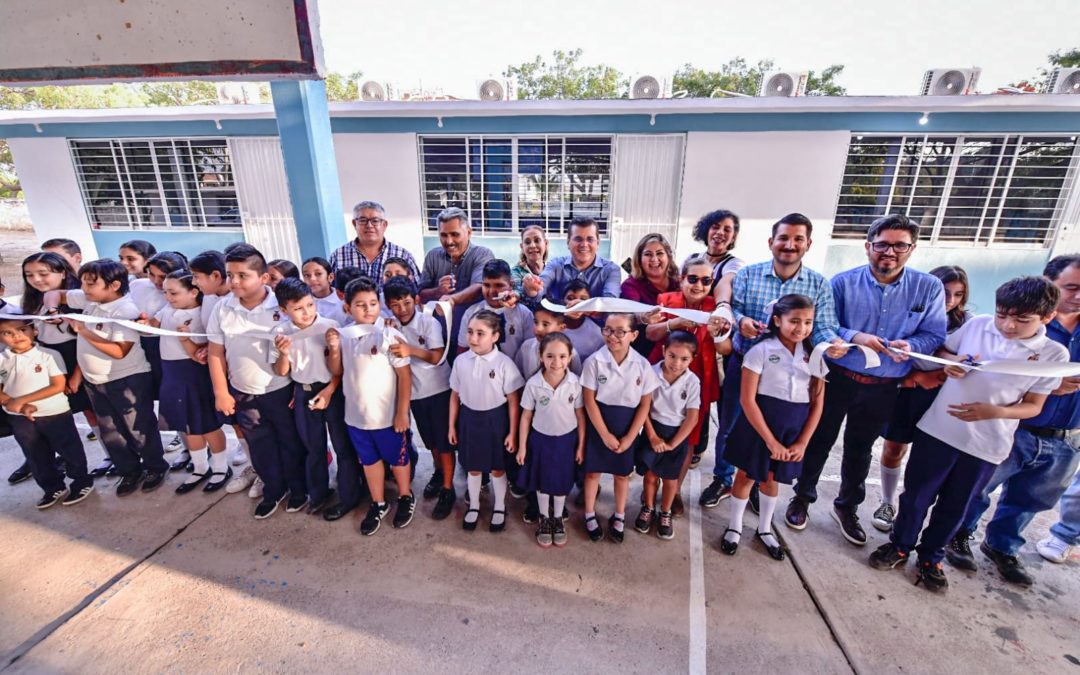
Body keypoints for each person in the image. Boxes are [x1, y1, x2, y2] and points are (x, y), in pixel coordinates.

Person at [869, 276, 1068, 592]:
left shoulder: (1053, 355)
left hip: (986, 443)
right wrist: (952, 363)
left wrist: (996, 412)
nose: (1008, 325)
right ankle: (900, 545)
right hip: (939, 429)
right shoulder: (978, 326)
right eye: (1002, 314)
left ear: (1046, 318)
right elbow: (945, 352)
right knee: (916, 495)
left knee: (956, 506)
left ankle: (931, 558)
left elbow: (1033, 406)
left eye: (1021, 320)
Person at [788, 214, 947, 546]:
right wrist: (855, 336)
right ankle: (802, 497)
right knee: (818, 439)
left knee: (860, 449)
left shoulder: (928, 288)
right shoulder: (842, 283)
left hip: (884, 385)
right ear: (868, 247)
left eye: (899, 245)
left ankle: (847, 507)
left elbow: (933, 334)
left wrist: (912, 346)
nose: (889, 252)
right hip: (838, 378)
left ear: (912, 249)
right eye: (882, 244)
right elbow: (825, 326)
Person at [947, 255, 1080, 585]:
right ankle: (959, 534)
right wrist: (1047, 386)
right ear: (1049, 285)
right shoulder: (1019, 331)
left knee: (1031, 498)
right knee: (978, 487)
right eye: (1071, 287)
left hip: (1068, 435)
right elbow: (986, 373)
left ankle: (1003, 546)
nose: (1078, 295)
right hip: (1015, 426)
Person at [699, 213, 838, 511]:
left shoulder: (819, 284)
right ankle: (724, 478)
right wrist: (741, 321)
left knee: (777, 429)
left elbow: (825, 326)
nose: (789, 245)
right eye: (783, 238)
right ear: (771, 242)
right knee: (731, 426)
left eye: (797, 239)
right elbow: (731, 310)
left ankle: (758, 480)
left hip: (791, 372)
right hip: (746, 364)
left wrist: (832, 344)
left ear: (808, 244)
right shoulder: (749, 274)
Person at [44, 259, 168, 496]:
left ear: (114, 285)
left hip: (127, 379)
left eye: (91, 284)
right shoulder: (91, 299)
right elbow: (55, 294)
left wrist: (83, 330)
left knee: (138, 427)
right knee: (110, 429)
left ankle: (155, 467)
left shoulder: (125, 310)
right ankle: (129, 470)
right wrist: (52, 310)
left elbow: (120, 350)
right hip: (95, 380)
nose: (84, 289)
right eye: (82, 283)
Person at [720, 295, 825, 560]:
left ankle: (765, 529)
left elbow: (817, 404)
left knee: (771, 478)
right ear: (778, 321)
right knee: (746, 476)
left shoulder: (815, 356)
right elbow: (747, 399)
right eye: (794, 321)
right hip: (759, 426)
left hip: (792, 429)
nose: (801, 328)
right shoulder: (760, 351)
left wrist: (802, 442)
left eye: (808, 322)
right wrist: (770, 441)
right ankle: (734, 526)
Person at [207, 244, 305, 520]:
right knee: (259, 445)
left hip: (280, 389)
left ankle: (298, 488)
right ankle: (273, 489)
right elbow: (216, 352)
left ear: (263, 278)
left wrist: (298, 387)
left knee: (290, 441)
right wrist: (221, 393)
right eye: (230, 275)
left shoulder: (283, 307)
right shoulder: (222, 309)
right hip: (243, 391)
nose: (234, 282)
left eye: (242, 275)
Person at [874, 265, 971, 531]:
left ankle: (913, 513)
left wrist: (938, 376)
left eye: (958, 294)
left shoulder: (969, 324)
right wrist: (916, 378)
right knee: (894, 448)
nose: (950, 300)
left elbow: (968, 362)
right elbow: (890, 356)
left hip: (943, 398)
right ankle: (886, 501)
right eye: (944, 292)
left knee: (929, 457)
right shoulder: (912, 315)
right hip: (905, 393)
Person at [326, 277, 415, 535]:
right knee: (369, 461)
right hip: (356, 417)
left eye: (373, 303)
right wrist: (333, 349)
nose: (368, 309)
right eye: (360, 305)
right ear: (347, 308)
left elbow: (405, 377)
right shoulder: (344, 335)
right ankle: (378, 503)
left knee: (398, 460)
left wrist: (401, 412)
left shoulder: (389, 334)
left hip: (387, 417)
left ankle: (406, 496)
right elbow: (338, 370)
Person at [645, 255, 728, 503]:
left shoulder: (718, 308)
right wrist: (676, 323)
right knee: (652, 428)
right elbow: (650, 333)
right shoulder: (667, 301)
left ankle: (675, 491)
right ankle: (649, 489)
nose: (698, 285)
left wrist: (717, 335)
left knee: (688, 438)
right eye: (692, 278)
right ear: (682, 279)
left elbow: (725, 349)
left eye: (706, 280)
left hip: (698, 380)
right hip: (663, 375)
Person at [19, 252, 103, 479]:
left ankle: (114, 456)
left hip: (78, 359)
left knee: (95, 411)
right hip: (52, 364)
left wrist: (76, 375)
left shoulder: (77, 301)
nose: (36, 279)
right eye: (30, 275)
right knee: (74, 415)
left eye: (43, 274)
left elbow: (85, 343)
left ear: (63, 272)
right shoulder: (32, 302)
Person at [272, 278, 349, 516]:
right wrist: (284, 354)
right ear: (284, 310)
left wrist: (334, 348)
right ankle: (318, 493)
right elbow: (281, 371)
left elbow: (341, 367)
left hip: (332, 391)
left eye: (309, 305)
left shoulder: (330, 326)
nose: (306, 313)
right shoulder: (281, 333)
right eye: (297, 309)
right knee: (313, 448)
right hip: (303, 393)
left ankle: (349, 494)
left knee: (342, 446)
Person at [581, 313, 660, 543]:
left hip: (627, 425)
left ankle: (619, 515)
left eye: (620, 331)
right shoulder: (594, 362)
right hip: (599, 424)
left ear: (634, 335)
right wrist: (604, 434)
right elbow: (589, 400)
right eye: (607, 329)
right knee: (593, 472)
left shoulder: (642, 365)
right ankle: (588, 513)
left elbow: (645, 403)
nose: (612, 336)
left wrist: (630, 436)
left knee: (622, 474)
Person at [383, 276, 456, 521]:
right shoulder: (390, 325)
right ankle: (438, 472)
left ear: (415, 299)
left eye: (406, 302)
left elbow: (436, 357)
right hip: (414, 393)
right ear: (388, 305)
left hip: (438, 389)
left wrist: (410, 350)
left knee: (445, 443)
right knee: (430, 441)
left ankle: (448, 488)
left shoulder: (428, 322)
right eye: (395, 304)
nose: (402, 309)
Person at [0, 318, 93, 508]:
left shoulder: (48, 355)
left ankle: (82, 481)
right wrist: (15, 404)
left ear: (34, 331)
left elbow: (58, 386)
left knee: (68, 448)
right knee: (35, 453)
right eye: (7, 333)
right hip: (19, 417)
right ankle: (52, 487)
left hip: (54, 413)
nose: (16, 336)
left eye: (22, 329)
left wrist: (22, 400)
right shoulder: (2, 360)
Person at [448, 310, 525, 533]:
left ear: (495, 335)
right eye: (470, 332)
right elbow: (455, 395)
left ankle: (499, 506)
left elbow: (513, 401)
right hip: (469, 420)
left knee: (497, 468)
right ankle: (474, 505)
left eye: (480, 333)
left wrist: (512, 432)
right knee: (473, 467)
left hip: (496, 421)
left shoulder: (504, 363)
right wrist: (452, 426)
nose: (473, 338)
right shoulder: (461, 361)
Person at [156, 270, 231, 494]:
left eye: (174, 292)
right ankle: (200, 467)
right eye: (165, 292)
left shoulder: (201, 316)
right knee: (187, 425)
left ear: (193, 292)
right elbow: (151, 324)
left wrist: (186, 338)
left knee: (206, 424)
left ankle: (220, 467)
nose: (168, 297)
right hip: (171, 373)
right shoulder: (167, 310)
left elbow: (199, 356)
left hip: (193, 374)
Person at [516, 332, 584, 548]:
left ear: (570, 356)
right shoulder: (534, 384)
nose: (557, 362)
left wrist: (581, 446)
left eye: (563, 356)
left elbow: (581, 415)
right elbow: (526, 416)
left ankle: (557, 519)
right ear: (541, 356)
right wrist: (522, 447)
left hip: (566, 440)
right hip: (540, 440)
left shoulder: (575, 383)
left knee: (562, 481)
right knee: (542, 481)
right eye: (550, 356)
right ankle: (545, 518)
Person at [189, 250, 252, 475]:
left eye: (197, 277)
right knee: (237, 423)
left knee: (251, 425)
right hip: (224, 375)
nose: (195, 283)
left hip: (244, 374)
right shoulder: (211, 300)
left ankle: (258, 466)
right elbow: (214, 339)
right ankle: (254, 467)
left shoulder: (236, 302)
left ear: (215, 275)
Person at [634, 331, 701, 541]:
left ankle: (665, 512)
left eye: (684, 359)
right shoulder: (651, 373)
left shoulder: (692, 382)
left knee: (671, 479)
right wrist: (653, 437)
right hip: (653, 430)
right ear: (663, 351)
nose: (677, 363)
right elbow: (644, 407)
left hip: (676, 435)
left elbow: (691, 418)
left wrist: (673, 444)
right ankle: (648, 507)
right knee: (651, 476)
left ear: (693, 359)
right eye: (672, 356)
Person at [417, 207, 495, 354]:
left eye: (455, 234)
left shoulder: (482, 254)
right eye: (443, 235)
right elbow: (420, 294)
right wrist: (437, 291)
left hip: (471, 341)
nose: (449, 241)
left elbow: (479, 287)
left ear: (469, 232)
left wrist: (452, 300)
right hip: (437, 339)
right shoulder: (433, 256)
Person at [522, 216, 622, 306]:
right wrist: (532, 290)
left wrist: (585, 307)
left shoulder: (611, 270)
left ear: (598, 243)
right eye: (578, 239)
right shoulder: (556, 266)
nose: (584, 244)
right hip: (560, 325)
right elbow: (541, 286)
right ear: (568, 242)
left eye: (590, 239)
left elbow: (610, 303)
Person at [328, 200, 420, 286]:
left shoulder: (403, 256)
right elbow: (329, 291)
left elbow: (416, 291)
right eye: (363, 220)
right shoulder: (338, 256)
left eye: (375, 221)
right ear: (354, 224)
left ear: (384, 225)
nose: (369, 225)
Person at [457, 259, 533, 363]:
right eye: (487, 285)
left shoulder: (524, 314)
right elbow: (462, 351)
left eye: (499, 285)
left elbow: (530, 352)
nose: (492, 292)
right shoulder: (471, 313)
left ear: (511, 285)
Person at [620, 233, 679, 356]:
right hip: (643, 353)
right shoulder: (631, 285)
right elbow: (627, 315)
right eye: (648, 254)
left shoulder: (680, 283)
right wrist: (642, 317)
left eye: (659, 253)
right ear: (639, 259)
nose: (654, 259)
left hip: (677, 352)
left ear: (668, 256)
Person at [514, 305, 583, 379]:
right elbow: (518, 374)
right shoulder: (526, 346)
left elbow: (577, 378)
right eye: (536, 322)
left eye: (545, 324)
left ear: (562, 328)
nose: (538, 328)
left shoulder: (571, 352)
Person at [693, 209, 744, 302]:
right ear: (706, 231)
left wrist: (723, 305)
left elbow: (726, 283)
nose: (720, 232)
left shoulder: (735, 264)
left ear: (733, 238)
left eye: (727, 230)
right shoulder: (692, 258)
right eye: (715, 227)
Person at [560, 281, 607, 361]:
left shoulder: (597, 334)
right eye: (570, 298)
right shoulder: (552, 326)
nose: (576, 303)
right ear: (562, 300)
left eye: (583, 300)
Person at [301, 256, 349, 330]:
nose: (312, 279)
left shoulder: (344, 300)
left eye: (318, 274)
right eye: (307, 275)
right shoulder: (301, 303)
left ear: (330, 277)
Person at [511, 225, 548, 301]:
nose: (532, 245)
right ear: (522, 247)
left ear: (545, 243)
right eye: (527, 242)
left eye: (537, 240)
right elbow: (517, 293)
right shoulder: (516, 272)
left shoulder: (551, 270)